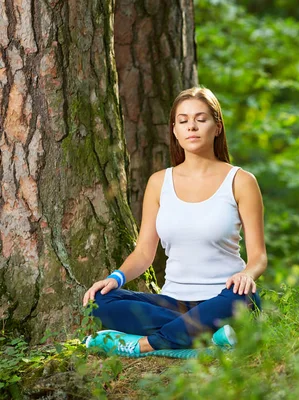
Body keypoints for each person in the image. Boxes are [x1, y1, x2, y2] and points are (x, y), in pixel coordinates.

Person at [82, 87, 267, 359]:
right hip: (172, 304)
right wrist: (115, 277)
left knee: (244, 299)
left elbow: (259, 257)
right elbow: (145, 252)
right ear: (175, 130)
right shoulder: (159, 183)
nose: (191, 126)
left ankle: (142, 345)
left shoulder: (241, 181)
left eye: (201, 119)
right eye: (183, 120)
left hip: (224, 298)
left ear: (217, 127)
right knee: (99, 302)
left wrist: (247, 275)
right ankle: (204, 339)